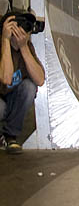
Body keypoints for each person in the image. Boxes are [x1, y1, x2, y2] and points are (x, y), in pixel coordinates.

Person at [0, 11, 45, 154]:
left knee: (29, 87)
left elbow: (40, 80)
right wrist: (5, 40)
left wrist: (24, 47)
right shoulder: (2, 45)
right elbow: (6, 79)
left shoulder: (27, 46)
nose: (24, 31)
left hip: (11, 100)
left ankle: (10, 135)